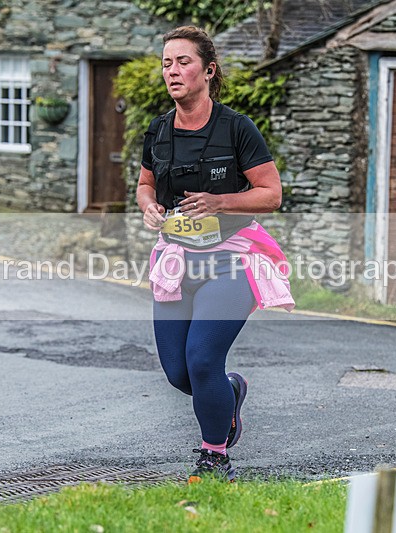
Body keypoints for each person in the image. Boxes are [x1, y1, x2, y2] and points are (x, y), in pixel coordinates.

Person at [137, 26, 294, 483]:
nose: (172, 71)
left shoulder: (236, 128)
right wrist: (149, 206)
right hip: (177, 260)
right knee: (177, 372)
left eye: (183, 61)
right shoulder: (159, 131)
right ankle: (229, 394)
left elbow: (271, 194)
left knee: (203, 360)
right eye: (166, 63)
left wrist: (220, 201)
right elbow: (146, 184)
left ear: (208, 70)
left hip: (230, 260)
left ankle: (214, 455)